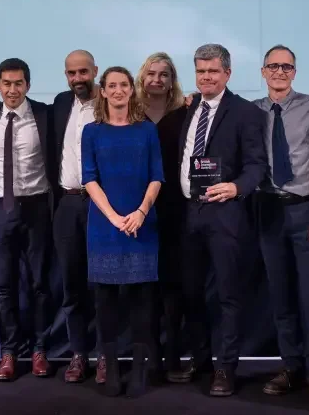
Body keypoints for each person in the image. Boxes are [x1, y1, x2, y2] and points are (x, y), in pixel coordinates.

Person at [167, 43, 267, 397]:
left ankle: (225, 368)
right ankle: (200, 358)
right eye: (200, 71)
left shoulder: (245, 113)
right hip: (189, 214)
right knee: (191, 294)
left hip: (226, 215)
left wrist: (236, 187)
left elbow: (257, 165)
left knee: (227, 295)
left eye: (212, 71)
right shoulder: (189, 107)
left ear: (227, 73)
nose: (206, 77)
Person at [252, 45, 309, 406]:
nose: (279, 71)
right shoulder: (251, 111)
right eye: (273, 66)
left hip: (306, 210)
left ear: (295, 72)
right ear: (262, 71)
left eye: (286, 66)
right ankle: (291, 366)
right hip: (268, 210)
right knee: (280, 294)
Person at [81, 66, 164, 398]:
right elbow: (89, 178)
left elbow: (156, 176)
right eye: (111, 85)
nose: (117, 90)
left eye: (123, 85)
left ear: (132, 90)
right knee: (106, 303)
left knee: (142, 302)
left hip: (142, 224)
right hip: (105, 226)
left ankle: (140, 369)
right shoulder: (92, 131)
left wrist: (141, 212)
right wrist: (115, 217)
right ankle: (112, 368)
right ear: (103, 91)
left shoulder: (147, 131)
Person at [0, 58, 56, 382]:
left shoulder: (45, 114)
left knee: (39, 284)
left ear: (28, 85)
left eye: (19, 83)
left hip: (38, 207)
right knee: (4, 286)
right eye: (6, 83)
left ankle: (39, 350)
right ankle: (9, 351)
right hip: (1, 209)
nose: (12, 89)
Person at [51, 50, 104, 383]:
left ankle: (105, 356)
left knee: (103, 286)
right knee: (71, 285)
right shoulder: (59, 104)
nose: (78, 79)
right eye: (72, 73)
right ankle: (79, 354)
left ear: (95, 71)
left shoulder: (114, 101)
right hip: (68, 205)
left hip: (104, 207)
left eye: (83, 72)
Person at [134, 52, 187, 377]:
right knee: (144, 289)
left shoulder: (186, 113)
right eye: (151, 73)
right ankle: (150, 359)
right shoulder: (130, 113)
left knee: (173, 288)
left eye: (163, 74)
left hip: (176, 210)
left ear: (172, 80)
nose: (157, 79)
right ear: (142, 77)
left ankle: (173, 357)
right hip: (138, 209)